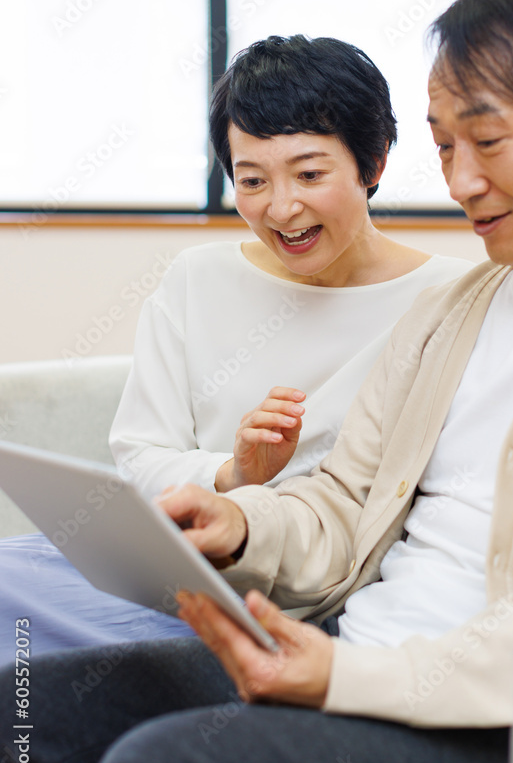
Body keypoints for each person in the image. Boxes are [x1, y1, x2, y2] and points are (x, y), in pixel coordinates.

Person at [2, 0, 513, 763]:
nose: (461, 181)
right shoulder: (453, 312)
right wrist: (242, 522)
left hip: (512, 721)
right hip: (357, 652)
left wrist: (355, 678)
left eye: (487, 142)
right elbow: (344, 503)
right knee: (25, 718)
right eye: (444, 146)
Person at [0, 35, 471, 664]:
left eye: (310, 174)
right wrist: (235, 474)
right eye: (252, 180)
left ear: (375, 161)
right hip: (170, 564)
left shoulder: (450, 301)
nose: (281, 208)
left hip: (296, 599)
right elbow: (141, 458)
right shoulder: (197, 279)